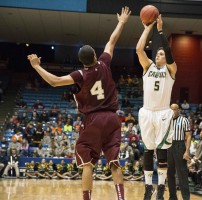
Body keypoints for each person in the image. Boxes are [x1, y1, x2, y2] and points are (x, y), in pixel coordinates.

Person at [27, 6, 131, 200]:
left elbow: (55, 81)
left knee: (87, 164)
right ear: (94, 56)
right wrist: (121, 22)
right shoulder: (104, 63)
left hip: (94, 119)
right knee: (114, 162)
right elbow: (111, 41)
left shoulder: (80, 74)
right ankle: (121, 198)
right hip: (113, 118)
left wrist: (37, 66)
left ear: (82, 62)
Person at [136, 14, 177, 200]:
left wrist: (160, 31)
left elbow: (168, 53)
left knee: (161, 151)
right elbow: (138, 49)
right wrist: (147, 28)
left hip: (163, 113)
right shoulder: (148, 67)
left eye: (161, 54)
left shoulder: (171, 70)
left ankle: (160, 188)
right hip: (147, 112)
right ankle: (147, 187)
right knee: (147, 150)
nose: (159, 55)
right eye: (158, 53)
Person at [167, 104, 192, 200]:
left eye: (175, 109)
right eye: (172, 109)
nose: (173, 111)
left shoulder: (184, 120)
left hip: (179, 145)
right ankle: (172, 197)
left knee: (182, 173)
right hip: (169, 146)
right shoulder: (167, 120)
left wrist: (187, 151)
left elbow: (188, 136)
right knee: (170, 173)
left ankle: (186, 198)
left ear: (178, 110)